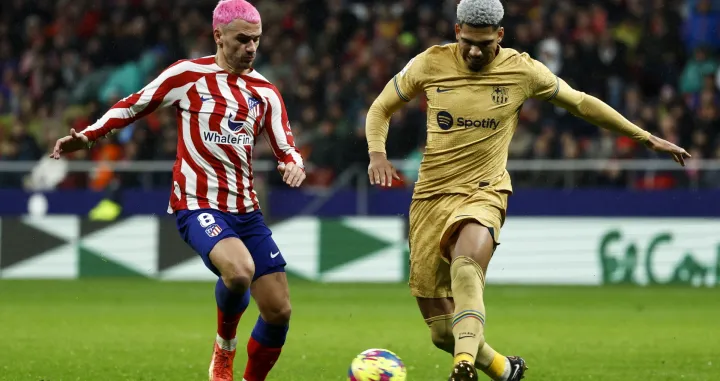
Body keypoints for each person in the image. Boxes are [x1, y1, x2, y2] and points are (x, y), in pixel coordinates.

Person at [364, 0, 691, 380]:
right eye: (467, 41)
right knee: (441, 331)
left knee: (466, 270)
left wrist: (645, 137)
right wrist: (377, 153)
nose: (474, 50)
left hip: (483, 192)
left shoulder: (523, 71)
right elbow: (380, 108)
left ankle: (463, 367)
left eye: (483, 44)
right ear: (457, 32)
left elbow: (581, 103)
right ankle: (504, 369)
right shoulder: (429, 63)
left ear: (499, 36)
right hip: (430, 198)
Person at [50, 1, 305, 380]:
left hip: (246, 211)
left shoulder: (265, 92)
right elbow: (132, 105)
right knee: (239, 272)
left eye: (256, 40)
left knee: (279, 311)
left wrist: (293, 165)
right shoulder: (188, 75)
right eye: (242, 39)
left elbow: (287, 146)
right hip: (197, 204)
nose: (251, 48)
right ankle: (224, 348)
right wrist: (88, 137)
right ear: (218, 36)